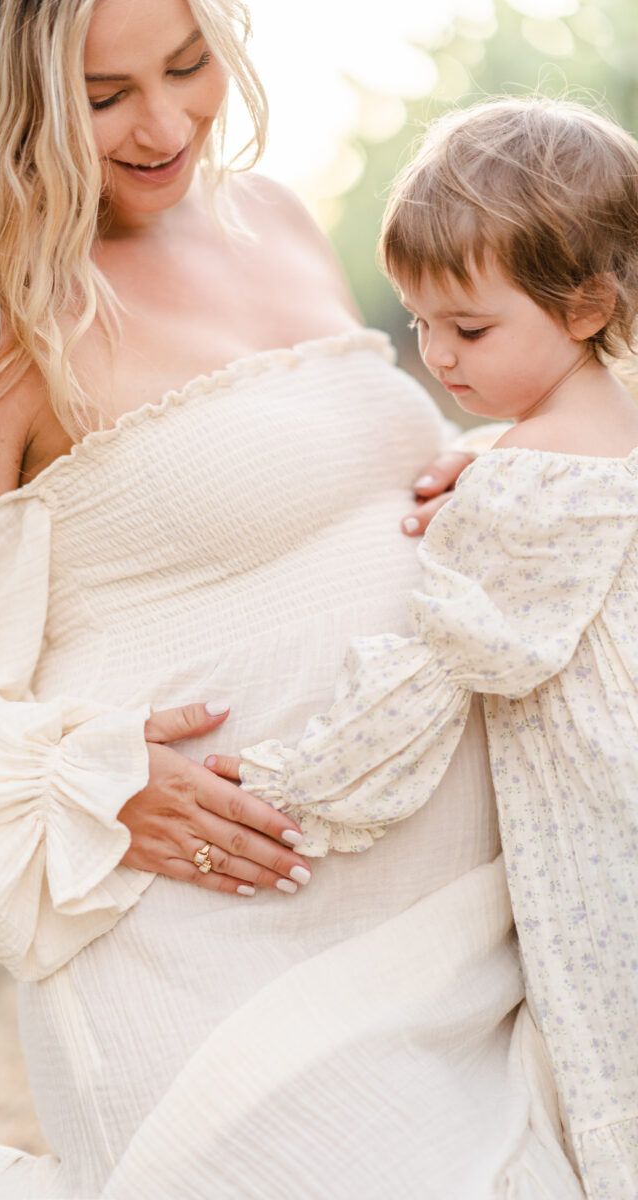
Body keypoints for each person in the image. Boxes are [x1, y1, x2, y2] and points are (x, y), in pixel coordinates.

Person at [0, 2, 582, 1196]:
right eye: (102, 95)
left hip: (460, 924)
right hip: (206, 947)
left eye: (189, 67)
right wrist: (86, 781)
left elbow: (355, 485)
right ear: (8, 100)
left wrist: (487, 467)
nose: (165, 121)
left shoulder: (273, 218)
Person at [212, 98, 638, 1199]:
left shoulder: (523, 478)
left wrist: (284, 790)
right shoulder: (612, 424)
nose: (436, 356)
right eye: (418, 324)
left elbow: (433, 678)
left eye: (469, 328)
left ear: (585, 302)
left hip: (602, 847)